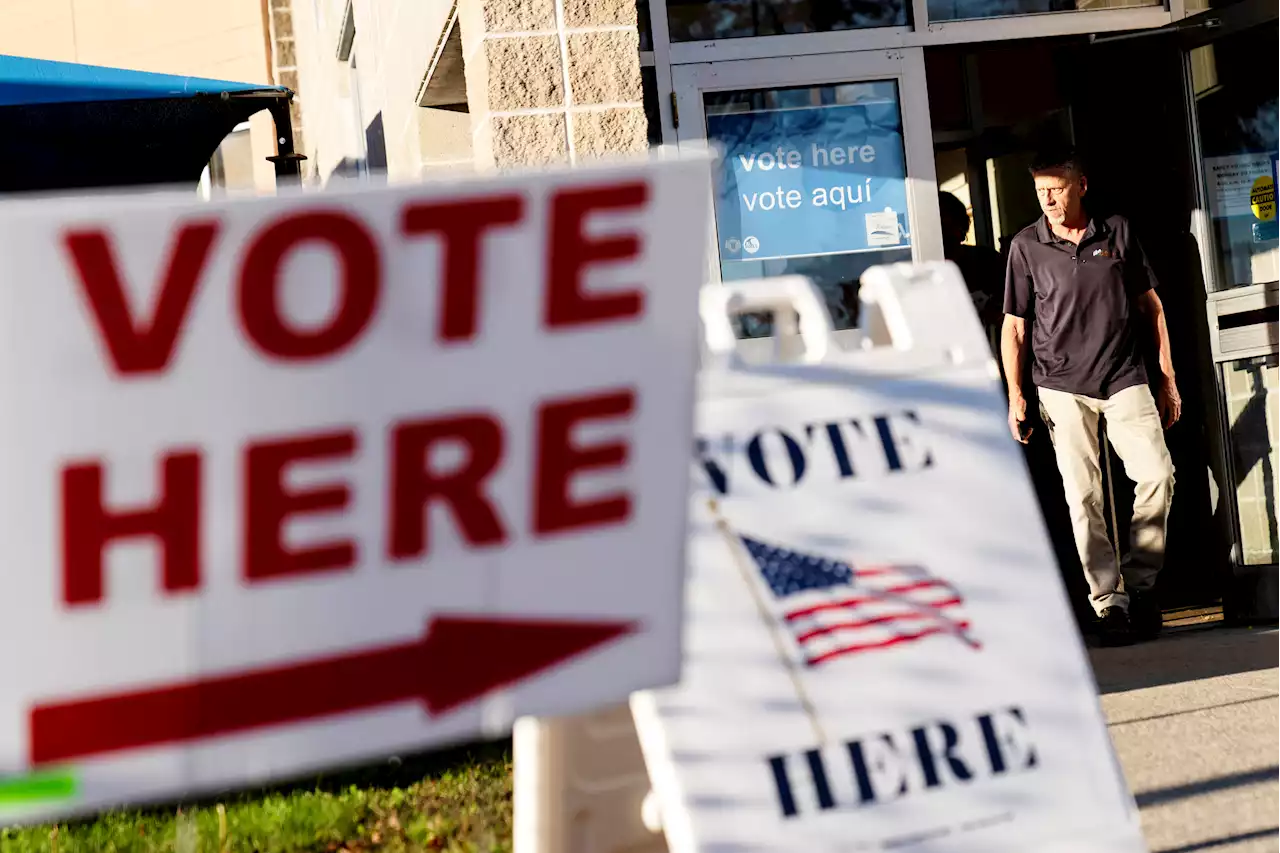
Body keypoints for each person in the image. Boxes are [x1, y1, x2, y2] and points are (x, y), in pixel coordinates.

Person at [1001, 147, 1179, 645]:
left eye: (1056, 189)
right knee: (1084, 496)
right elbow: (1014, 328)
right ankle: (1109, 602)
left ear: (1081, 185)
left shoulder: (1117, 231)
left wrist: (1166, 376)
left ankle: (1141, 584)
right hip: (1059, 385)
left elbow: (1152, 307)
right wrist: (1016, 394)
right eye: (1041, 192)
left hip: (1124, 375)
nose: (1049, 200)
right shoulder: (1026, 246)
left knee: (1157, 476)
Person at [939, 191, 1004, 350]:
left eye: (949, 225)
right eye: (939, 227)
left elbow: (1010, 318)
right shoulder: (920, 269)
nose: (944, 233)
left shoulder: (985, 260)